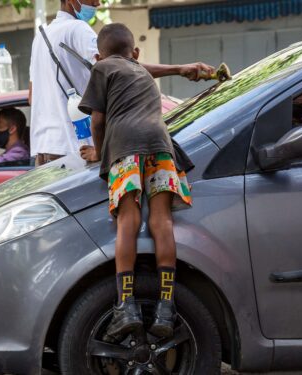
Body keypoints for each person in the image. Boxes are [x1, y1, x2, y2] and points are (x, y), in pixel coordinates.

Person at [78, 23, 193, 341]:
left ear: (98, 55)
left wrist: (98, 153)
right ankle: (165, 309)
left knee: (129, 219)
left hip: (125, 146)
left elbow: (98, 119)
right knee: (162, 220)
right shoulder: (140, 71)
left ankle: (125, 307)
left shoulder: (102, 68)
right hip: (160, 145)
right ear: (136, 53)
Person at [28, 0, 215, 166]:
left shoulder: (41, 37)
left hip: (43, 151)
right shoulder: (77, 28)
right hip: (76, 150)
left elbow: (31, 97)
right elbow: (122, 67)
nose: (97, 3)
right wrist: (178, 69)